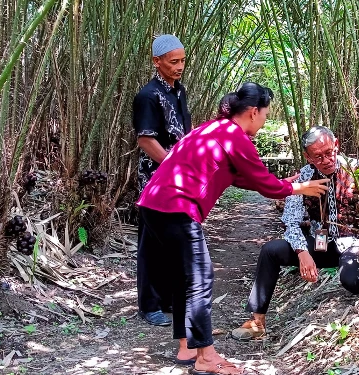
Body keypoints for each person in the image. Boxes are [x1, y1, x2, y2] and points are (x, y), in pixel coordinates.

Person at [137, 82, 330, 374]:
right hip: (176, 206)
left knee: (182, 276)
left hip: (153, 203)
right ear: (253, 112)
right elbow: (265, 185)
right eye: (266, 114)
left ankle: (187, 346)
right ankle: (206, 356)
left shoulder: (213, 129)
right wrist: (299, 187)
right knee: (201, 277)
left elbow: (238, 176)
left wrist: (287, 185)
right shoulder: (235, 137)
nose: (265, 121)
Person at [231, 126, 359, 341]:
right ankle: (257, 322)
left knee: (353, 281)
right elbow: (291, 220)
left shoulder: (357, 171)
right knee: (271, 251)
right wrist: (302, 252)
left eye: (329, 152)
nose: (326, 160)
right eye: (318, 156)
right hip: (321, 244)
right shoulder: (305, 175)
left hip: (354, 245)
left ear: (337, 145)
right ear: (308, 157)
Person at [133, 34, 192, 326]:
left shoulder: (178, 91)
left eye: (182, 60)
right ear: (157, 62)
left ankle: (168, 298)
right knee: (151, 243)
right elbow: (145, 140)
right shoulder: (148, 96)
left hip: (178, 177)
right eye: (173, 62)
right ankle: (148, 304)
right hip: (154, 180)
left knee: (174, 239)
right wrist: (172, 164)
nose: (179, 66)